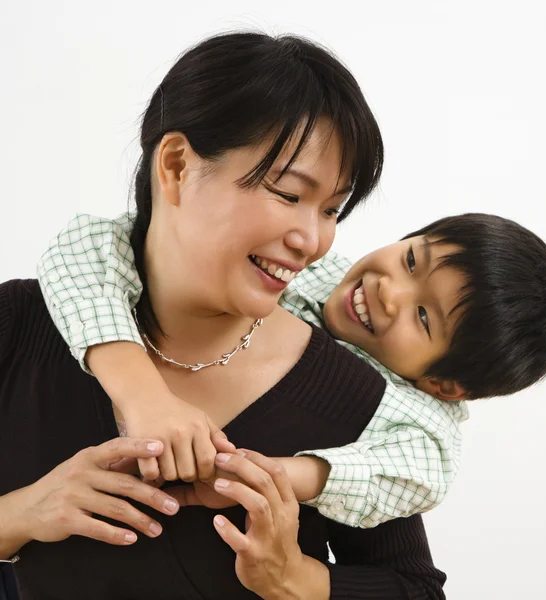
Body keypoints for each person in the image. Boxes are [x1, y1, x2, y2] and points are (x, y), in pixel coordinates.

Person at [0, 31, 447, 600]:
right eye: (288, 193)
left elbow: (416, 589)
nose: (312, 239)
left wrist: (295, 580)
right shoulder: (19, 323)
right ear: (178, 164)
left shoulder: (353, 398)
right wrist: (20, 515)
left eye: (332, 208)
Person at [37, 209, 546, 529]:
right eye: (412, 260)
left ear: (443, 384)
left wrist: (270, 477)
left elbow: (425, 472)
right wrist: (143, 395)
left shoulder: (406, 410)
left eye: (424, 316)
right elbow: (87, 244)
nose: (389, 289)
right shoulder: (313, 271)